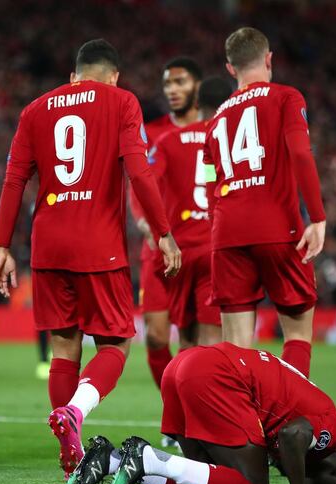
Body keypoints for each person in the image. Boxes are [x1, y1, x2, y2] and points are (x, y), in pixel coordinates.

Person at [0, 38, 181, 478]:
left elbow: (14, 180)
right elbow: (139, 171)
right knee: (116, 343)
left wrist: (2, 246)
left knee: (63, 347)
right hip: (99, 244)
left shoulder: (35, 109)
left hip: (48, 245)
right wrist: (164, 233)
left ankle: (71, 457)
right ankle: (75, 413)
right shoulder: (121, 101)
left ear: (73, 75)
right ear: (114, 76)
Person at [67, 343, 336, 484]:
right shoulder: (335, 431)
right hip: (218, 375)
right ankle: (145, 458)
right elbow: (293, 434)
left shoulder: (314, 429)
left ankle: (112, 461)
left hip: (186, 365)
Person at [203, 27, 326, 378]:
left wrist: (219, 231)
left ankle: (243, 428)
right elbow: (301, 154)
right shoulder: (286, 97)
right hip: (277, 227)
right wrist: (316, 217)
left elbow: (212, 188)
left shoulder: (214, 123)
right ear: (269, 59)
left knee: (237, 349)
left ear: (230, 68)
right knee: (298, 332)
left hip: (226, 235)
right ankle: (289, 420)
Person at [148, 77, 233, 359]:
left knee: (185, 342)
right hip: (217, 247)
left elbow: (146, 182)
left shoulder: (168, 140)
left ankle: (182, 401)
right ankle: (215, 399)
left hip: (182, 251)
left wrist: (157, 229)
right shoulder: (233, 139)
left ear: (198, 103)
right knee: (214, 340)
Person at [135, 57, 203, 390]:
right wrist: (146, 224)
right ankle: (173, 416)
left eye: (180, 82)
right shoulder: (152, 132)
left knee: (193, 341)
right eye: (167, 84)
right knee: (156, 336)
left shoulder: (215, 129)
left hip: (197, 247)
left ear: (198, 87)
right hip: (159, 247)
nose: (172, 90)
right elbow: (137, 181)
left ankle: (190, 419)